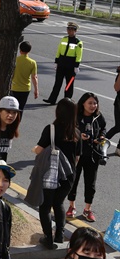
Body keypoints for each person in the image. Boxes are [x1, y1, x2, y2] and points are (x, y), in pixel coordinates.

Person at [33, 98, 81, 249]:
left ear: (58, 111)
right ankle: (59, 234)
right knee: (59, 203)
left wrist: (34, 150)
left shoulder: (51, 129)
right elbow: (77, 158)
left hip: (51, 174)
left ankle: (48, 237)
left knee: (45, 205)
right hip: (69, 176)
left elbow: (40, 150)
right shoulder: (77, 133)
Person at [67, 93, 107, 223]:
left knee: (91, 184)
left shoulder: (99, 117)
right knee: (73, 181)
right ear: (83, 103)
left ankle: (87, 209)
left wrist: (100, 137)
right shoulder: (75, 116)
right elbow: (68, 130)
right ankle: (71, 206)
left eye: (94, 103)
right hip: (77, 155)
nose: (92, 106)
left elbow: (103, 129)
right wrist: (79, 136)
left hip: (93, 155)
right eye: (90, 103)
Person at [44, 22, 84, 104]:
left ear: (75, 31)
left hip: (71, 65)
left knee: (68, 85)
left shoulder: (78, 42)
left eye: (71, 29)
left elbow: (79, 55)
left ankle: (67, 101)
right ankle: (52, 99)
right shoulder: (64, 39)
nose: (69, 31)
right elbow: (59, 50)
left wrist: (76, 66)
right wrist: (56, 61)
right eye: (68, 29)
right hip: (62, 63)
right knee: (57, 83)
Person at [11, 41, 39, 111]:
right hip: (25, 89)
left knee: (12, 108)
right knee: (20, 108)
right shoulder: (32, 62)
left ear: (20, 50)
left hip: (14, 87)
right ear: (29, 50)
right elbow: (34, 77)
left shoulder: (15, 60)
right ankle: (18, 121)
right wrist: (36, 90)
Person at [105, 66, 120, 154]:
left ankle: (119, 149)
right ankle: (101, 141)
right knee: (118, 127)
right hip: (119, 103)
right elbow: (117, 88)